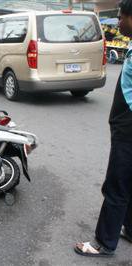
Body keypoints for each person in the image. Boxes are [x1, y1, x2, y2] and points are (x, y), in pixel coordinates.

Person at [75, 0, 132, 257]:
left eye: (122, 17)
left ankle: (104, 243)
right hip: (124, 125)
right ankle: (129, 229)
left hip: (129, 128)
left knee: (117, 184)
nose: (118, 22)